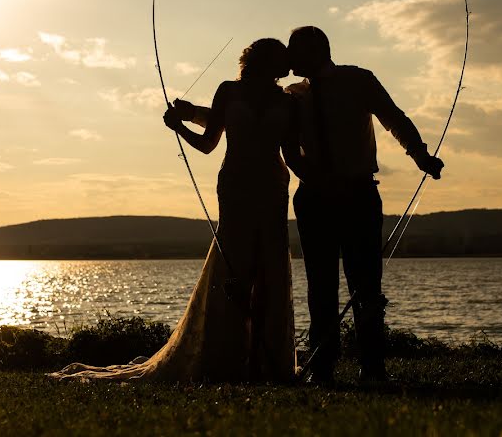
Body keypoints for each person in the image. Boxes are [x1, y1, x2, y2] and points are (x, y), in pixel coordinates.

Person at [49, 38, 304, 383]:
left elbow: (292, 154)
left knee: (270, 266)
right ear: (266, 61)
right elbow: (209, 143)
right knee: (235, 263)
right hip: (235, 186)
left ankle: (267, 362)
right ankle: (225, 357)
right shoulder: (228, 91)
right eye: (281, 57)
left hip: (274, 188)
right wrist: (180, 127)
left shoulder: (285, 101)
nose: (288, 61)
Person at [285, 25, 444, 384]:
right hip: (313, 197)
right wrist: (313, 177)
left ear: (315, 50)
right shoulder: (293, 95)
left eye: (294, 51)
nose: (289, 59)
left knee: (367, 286)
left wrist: (420, 156)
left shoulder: (359, 80)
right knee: (319, 285)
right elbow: (289, 149)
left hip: (358, 193)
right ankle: (323, 366)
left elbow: (394, 118)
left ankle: (372, 366)